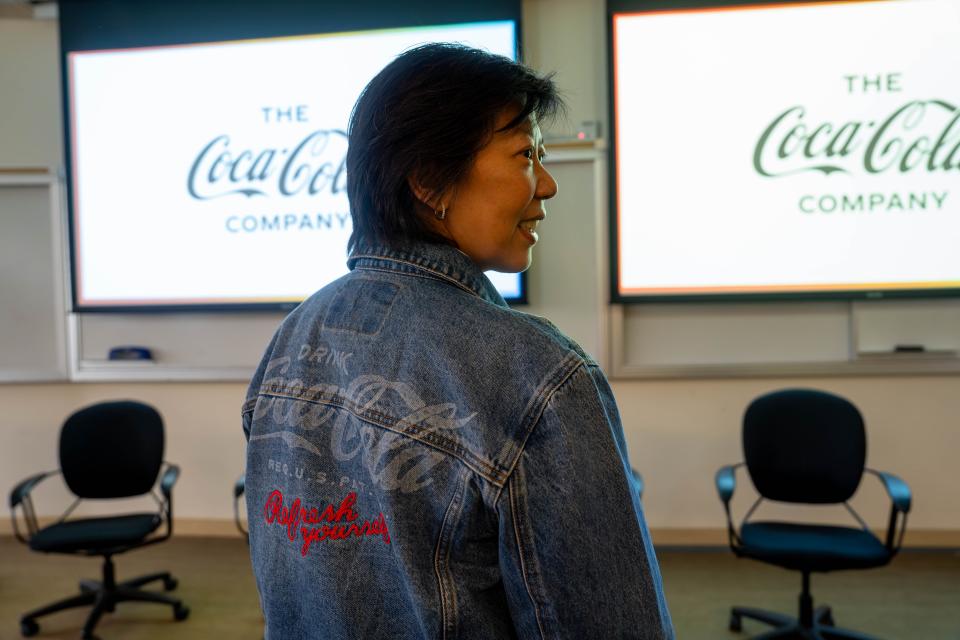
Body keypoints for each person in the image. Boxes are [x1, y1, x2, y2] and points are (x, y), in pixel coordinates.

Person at [242, 43, 674, 639]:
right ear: (428, 180)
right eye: (525, 153)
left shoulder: (293, 335)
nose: (546, 185)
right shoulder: (539, 375)